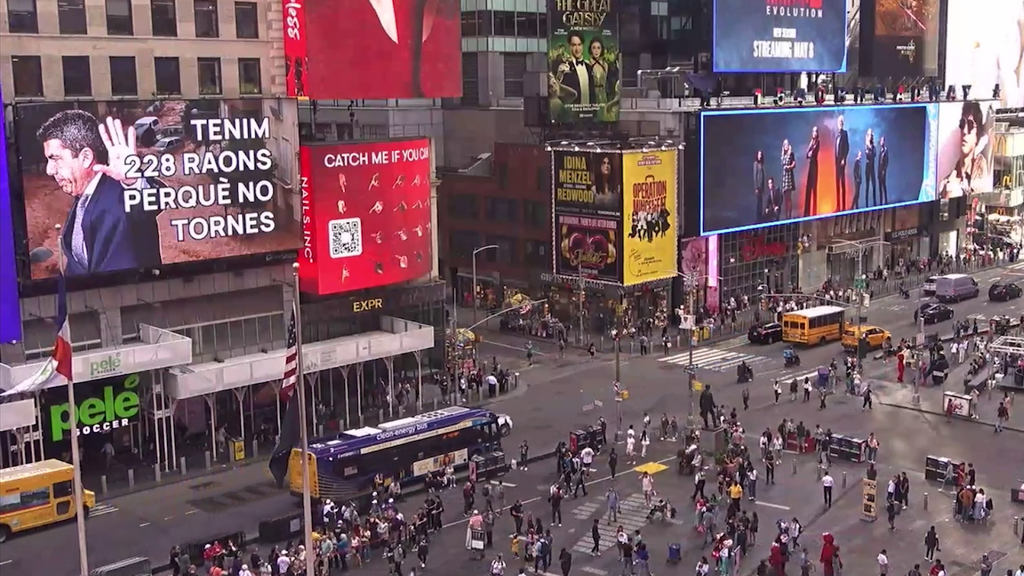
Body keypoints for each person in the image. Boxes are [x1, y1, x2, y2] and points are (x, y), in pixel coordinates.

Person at [35, 110, 162, 275]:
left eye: (55, 159)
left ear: (86, 157)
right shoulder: (83, 194)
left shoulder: (122, 194)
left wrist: (133, 180)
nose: (49, 170)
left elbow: (155, 201)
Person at [940, 101, 990, 198]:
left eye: (971, 125)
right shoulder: (947, 180)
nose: (965, 131)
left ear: (978, 134)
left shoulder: (981, 165)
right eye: (962, 124)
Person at [554, 32, 595, 109]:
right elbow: (559, 91)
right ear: (569, 46)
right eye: (574, 45)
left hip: (589, 112)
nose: (577, 49)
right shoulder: (565, 67)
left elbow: (592, 92)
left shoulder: (589, 67)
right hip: (572, 114)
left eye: (579, 45)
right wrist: (559, 76)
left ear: (582, 46)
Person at [805, 126, 820, 216]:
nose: (814, 133)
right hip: (810, 166)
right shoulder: (812, 142)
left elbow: (813, 153)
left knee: (814, 189)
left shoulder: (818, 142)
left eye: (815, 132)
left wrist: (810, 153)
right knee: (808, 188)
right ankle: (807, 212)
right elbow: (807, 154)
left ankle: (814, 212)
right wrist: (809, 150)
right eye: (813, 131)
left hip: (814, 166)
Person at [835, 115, 850, 209]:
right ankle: (838, 206)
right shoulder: (837, 135)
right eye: (839, 121)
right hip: (836, 162)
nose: (840, 123)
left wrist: (844, 158)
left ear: (843, 123)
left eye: (841, 121)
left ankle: (843, 206)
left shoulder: (845, 133)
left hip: (842, 162)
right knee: (837, 183)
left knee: (842, 183)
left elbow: (847, 147)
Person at [781, 139, 797, 219]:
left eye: (787, 144)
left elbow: (794, 164)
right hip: (784, 177)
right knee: (785, 197)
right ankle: (786, 215)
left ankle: (789, 215)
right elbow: (782, 162)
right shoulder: (783, 154)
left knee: (789, 197)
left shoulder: (791, 154)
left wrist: (789, 167)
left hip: (789, 176)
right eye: (785, 145)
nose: (786, 146)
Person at [865, 129, 878, 206]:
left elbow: (874, 154)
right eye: (869, 135)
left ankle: (874, 202)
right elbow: (868, 155)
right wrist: (870, 151)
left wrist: (871, 151)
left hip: (872, 167)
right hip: (868, 167)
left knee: (874, 184)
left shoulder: (873, 146)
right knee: (867, 185)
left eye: (871, 135)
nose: (870, 136)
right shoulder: (866, 145)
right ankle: (866, 204)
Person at [753, 151, 766, 223]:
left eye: (761, 154)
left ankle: (760, 216)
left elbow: (763, 176)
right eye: (759, 154)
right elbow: (755, 176)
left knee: (761, 201)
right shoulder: (756, 164)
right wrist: (756, 187)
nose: (760, 156)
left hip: (761, 186)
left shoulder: (762, 164)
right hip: (758, 186)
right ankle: (757, 216)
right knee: (758, 202)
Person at [878, 135, 889, 205]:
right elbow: (879, 162)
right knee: (879, 186)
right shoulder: (880, 150)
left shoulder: (885, 150)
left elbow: (887, 161)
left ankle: (886, 200)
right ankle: (881, 201)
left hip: (883, 171)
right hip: (879, 171)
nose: (882, 142)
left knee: (883, 185)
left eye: (883, 141)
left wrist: (884, 170)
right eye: (881, 141)